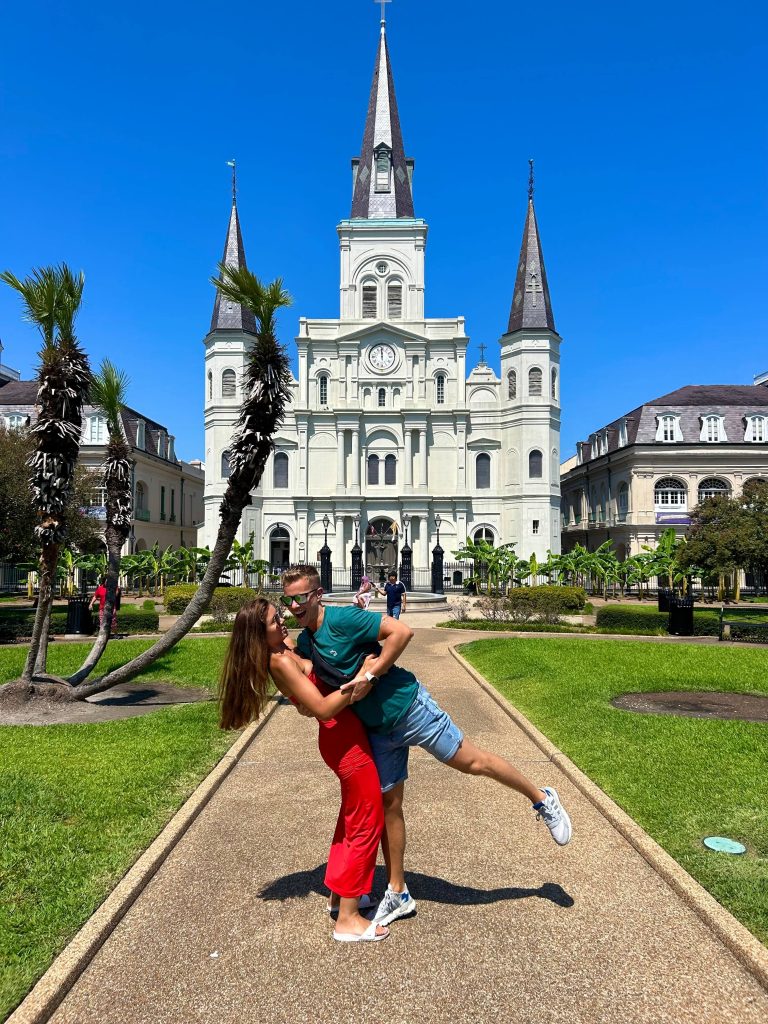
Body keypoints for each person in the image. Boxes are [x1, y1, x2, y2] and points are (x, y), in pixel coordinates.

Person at [280, 565, 572, 929]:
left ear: (318, 595)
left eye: (300, 598)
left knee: (473, 762)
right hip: (377, 730)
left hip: (409, 707)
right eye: (288, 599)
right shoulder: (307, 641)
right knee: (390, 806)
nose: (294, 606)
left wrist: (371, 674)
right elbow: (301, 675)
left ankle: (542, 798)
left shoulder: (344, 619)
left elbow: (401, 631)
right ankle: (398, 891)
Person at [218, 598, 389, 943]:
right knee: (367, 819)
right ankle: (348, 919)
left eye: (278, 616)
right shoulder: (278, 662)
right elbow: (323, 709)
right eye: (272, 622)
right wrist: (360, 680)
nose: (281, 622)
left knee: (352, 817)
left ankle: (341, 894)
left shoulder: (287, 646)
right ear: (256, 636)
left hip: (347, 733)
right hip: (341, 739)